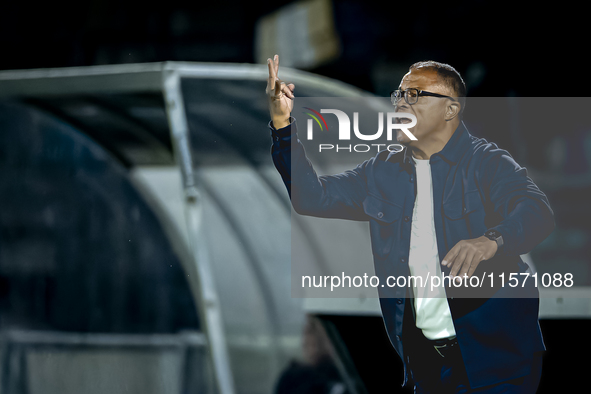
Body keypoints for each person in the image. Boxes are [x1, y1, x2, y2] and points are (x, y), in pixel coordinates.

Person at [265, 55, 554, 393]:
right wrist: (283, 126)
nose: (402, 103)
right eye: (399, 95)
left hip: (495, 362)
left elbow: (536, 211)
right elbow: (312, 197)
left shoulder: (486, 163)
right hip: (428, 366)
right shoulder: (381, 171)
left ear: (450, 109)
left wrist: (491, 241)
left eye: (415, 95)